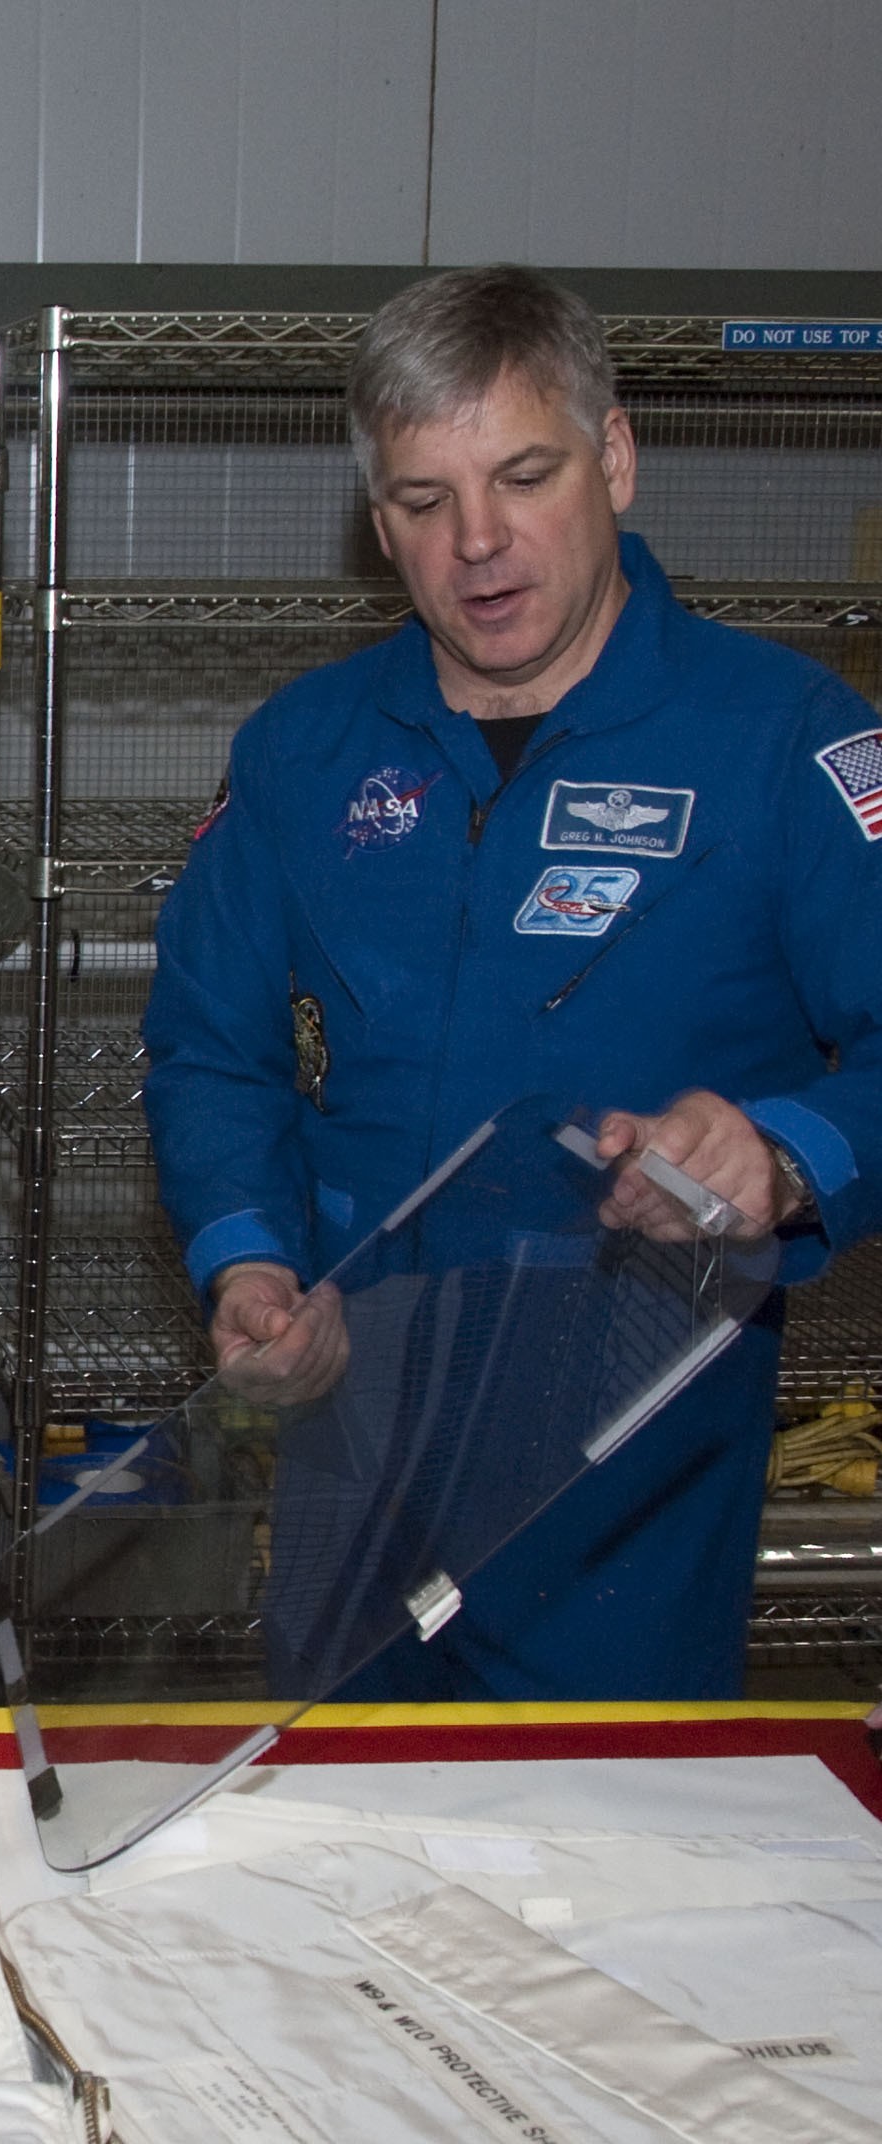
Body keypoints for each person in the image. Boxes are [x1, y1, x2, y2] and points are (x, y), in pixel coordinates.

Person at [144, 264, 882, 1699]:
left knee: (600, 1878)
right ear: (380, 526)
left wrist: (786, 1151)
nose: (478, 543)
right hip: (355, 1459)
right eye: (424, 501)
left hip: (631, 1481)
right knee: (332, 1873)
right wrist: (251, 1261)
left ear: (614, 457)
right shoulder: (305, 751)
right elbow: (209, 1051)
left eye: (523, 476)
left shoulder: (784, 743)